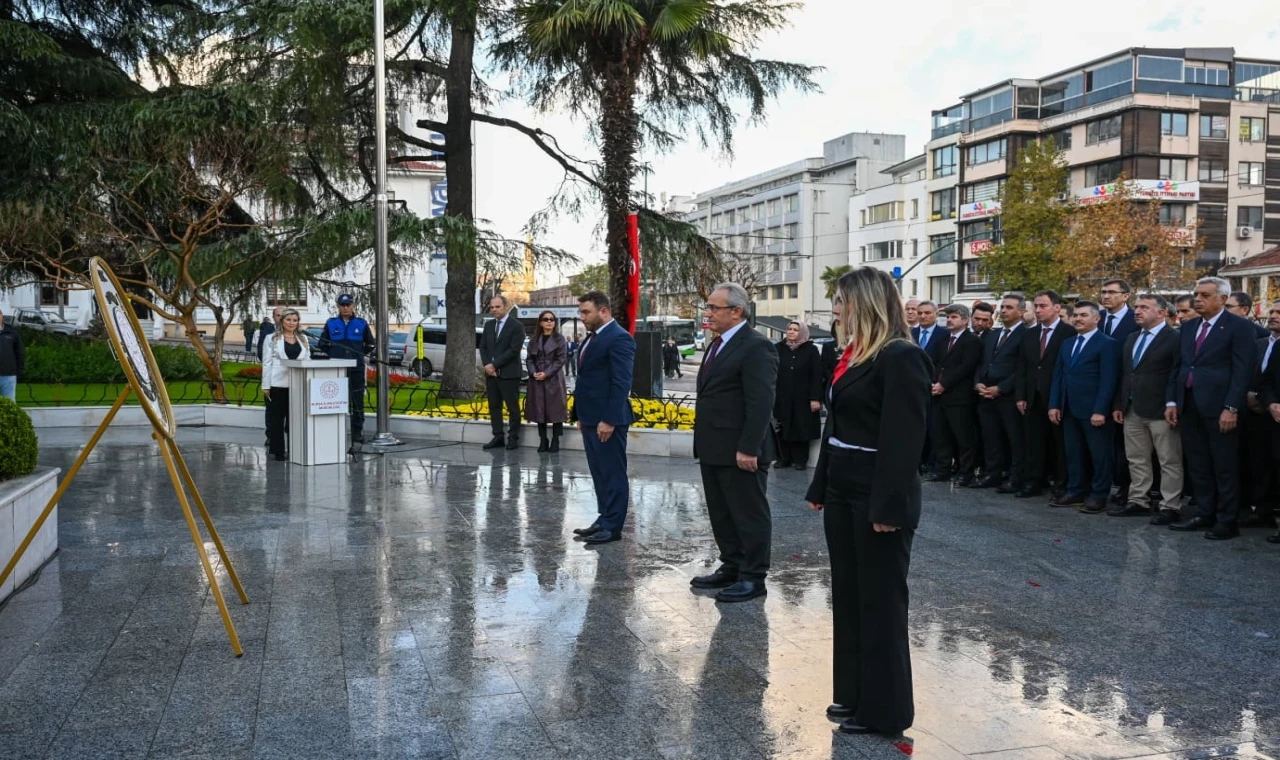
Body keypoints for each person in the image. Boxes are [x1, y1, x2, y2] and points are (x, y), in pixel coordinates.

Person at [806, 267, 930, 738]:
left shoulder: (901, 358)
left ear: (867, 303)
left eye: (842, 300)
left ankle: (886, 711)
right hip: (842, 486)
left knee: (880, 601)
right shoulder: (856, 356)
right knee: (851, 594)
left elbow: (904, 441)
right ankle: (855, 693)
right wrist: (821, 486)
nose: (835, 310)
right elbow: (835, 429)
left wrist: (889, 509)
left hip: (877, 493)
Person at [690, 282, 778, 603]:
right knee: (722, 513)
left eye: (714, 308)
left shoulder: (756, 346)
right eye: (708, 307)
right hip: (714, 446)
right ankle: (733, 565)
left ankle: (753, 576)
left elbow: (761, 402)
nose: (708, 313)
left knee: (748, 513)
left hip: (741, 450)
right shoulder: (717, 344)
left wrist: (748, 447)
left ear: (736, 311)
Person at [1165, 277, 1258, 540]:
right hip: (1189, 404)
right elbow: (1179, 367)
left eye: (1205, 295)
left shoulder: (1238, 327)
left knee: (1224, 465)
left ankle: (1227, 520)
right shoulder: (1189, 326)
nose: (1198, 299)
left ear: (1223, 298)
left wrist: (1231, 407)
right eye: (1196, 294)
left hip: (1220, 408)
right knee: (1198, 464)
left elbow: (1243, 371)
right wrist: (1173, 401)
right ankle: (1203, 513)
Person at [570, 291, 635, 544]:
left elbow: (621, 383)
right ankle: (604, 517)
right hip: (590, 419)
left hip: (608, 420)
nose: (582, 317)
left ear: (604, 311)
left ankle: (613, 526)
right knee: (599, 472)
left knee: (612, 472)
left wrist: (608, 419)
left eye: (586, 312)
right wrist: (581, 416)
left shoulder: (619, 338)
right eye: (581, 312)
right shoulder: (593, 338)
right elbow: (588, 379)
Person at [1111, 295, 1182, 522]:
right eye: (1137, 307)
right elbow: (1127, 374)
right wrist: (1120, 404)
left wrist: (1172, 403)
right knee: (1136, 458)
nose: (1137, 311)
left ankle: (1170, 505)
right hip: (1132, 408)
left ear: (1161, 313)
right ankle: (1138, 500)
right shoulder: (1132, 338)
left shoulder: (1175, 338)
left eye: (1144, 307)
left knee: (1168, 460)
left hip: (1161, 409)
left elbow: (1176, 374)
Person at [1048, 301, 1119, 513]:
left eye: (1084, 315)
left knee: (1099, 454)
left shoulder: (1107, 344)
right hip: (1068, 408)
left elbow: (1109, 380)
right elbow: (1059, 375)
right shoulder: (1068, 343)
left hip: (1094, 410)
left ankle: (1099, 495)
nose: (1078, 319)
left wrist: (1100, 410)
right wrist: (1054, 404)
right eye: (1075, 315)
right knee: (1073, 452)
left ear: (1097, 319)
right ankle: (1076, 490)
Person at [1014, 290, 1074, 499]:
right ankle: (1033, 482)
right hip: (1032, 396)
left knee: (1059, 443)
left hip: (1056, 396)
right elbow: (1022, 367)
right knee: (1033, 441)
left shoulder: (1069, 333)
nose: (1038, 310)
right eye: (1036, 306)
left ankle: (1060, 481)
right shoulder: (1029, 334)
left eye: (1043, 306)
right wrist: (1021, 396)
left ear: (1057, 307)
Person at [972, 294, 1028, 492]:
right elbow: (982, 362)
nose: (1004, 310)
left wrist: (1001, 388)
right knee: (990, 437)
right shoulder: (993, 334)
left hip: (1008, 396)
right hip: (985, 394)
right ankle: (992, 473)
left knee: (1014, 439)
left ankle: (1015, 476)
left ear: (1021, 312)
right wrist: (978, 383)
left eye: (1009, 307)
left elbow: (1022, 368)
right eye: (1002, 307)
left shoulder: (1027, 334)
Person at [927, 304, 982, 487]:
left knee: (963, 437)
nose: (949, 320)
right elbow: (934, 362)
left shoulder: (972, 341)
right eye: (948, 317)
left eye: (954, 317)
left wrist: (944, 384)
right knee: (940, 435)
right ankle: (942, 470)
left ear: (965, 320)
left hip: (959, 396)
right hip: (939, 395)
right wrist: (934, 383)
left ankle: (966, 473)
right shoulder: (943, 340)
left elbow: (965, 367)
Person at [1100, 280, 1138, 506]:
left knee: (1124, 446)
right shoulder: (1098, 318)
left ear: (1126, 296)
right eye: (1104, 292)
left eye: (1112, 292)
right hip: (1098, 390)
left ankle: (1125, 487)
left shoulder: (1136, 320)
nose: (1106, 296)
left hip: (1125, 391)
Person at [319, 294, 375, 443]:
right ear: (338, 306)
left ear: (353, 306)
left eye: (348, 305)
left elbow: (370, 344)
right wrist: (334, 354)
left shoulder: (361, 324)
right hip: (336, 369)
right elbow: (322, 344)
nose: (345, 308)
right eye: (342, 305)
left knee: (357, 401)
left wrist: (359, 354)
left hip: (356, 369)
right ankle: (333, 430)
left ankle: (357, 432)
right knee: (334, 400)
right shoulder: (331, 323)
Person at [1246, 300, 1280, 534]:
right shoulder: (1276, 346)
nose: (1274, 316)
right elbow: (1267, 380)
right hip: (1271, 416)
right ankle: (1265, 511)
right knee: (1265, 463)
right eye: (1273, 312)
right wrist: (1272, 402)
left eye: (1279, 312)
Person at [773, 321, 823, 471]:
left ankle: (800, 460)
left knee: (802, 427)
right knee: (782, 426)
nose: (791, 332)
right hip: (782, 396)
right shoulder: (778, 348)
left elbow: (816, 375)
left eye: (795, 330)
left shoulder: (811, 350)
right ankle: (783, 458)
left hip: (803, 397)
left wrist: (815, 398)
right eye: (789, 329)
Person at [261, 308, 310, 461]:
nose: (292, 323)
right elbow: (267, 362)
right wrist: (266, 385)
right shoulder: (272, 338)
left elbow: (306, 360)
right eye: (288, 320)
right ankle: (278, 451)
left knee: (294, 419)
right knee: (277, 419)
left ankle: (295, 448)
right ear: (282, 321)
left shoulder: (303, 339)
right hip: (278, 383)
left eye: (295, 320)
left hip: (297, 383)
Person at [479, 296, 525, 450]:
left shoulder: (516, 326)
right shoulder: (489, 325)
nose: (494, 310)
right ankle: (498, 436)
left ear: (505, 307)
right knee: (494, 406)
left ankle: (513, 438)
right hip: (491, 374)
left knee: (512, 408)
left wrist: (494, 364)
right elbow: (483, 347)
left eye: (497, 307)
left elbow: (514, 350)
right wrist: (487, 365)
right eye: (492, 307)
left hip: (509, 374)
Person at [525, 311, 569, 453]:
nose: (549, 322)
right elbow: (529, 359)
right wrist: (533, 372)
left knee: (556, 410)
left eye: (552, 319)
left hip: (553, 378)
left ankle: (555, 440)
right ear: (540, 322)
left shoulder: (560, 339)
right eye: (546, 319)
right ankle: (543, 440)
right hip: (537, 378)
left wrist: (547, 373)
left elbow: (561, 359)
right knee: (539, 410)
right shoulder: (534, 339)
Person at [0, 307, 24, 401]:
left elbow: (19, 353)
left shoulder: (12, 332)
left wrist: (19, 370)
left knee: (10, 403)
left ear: (2, 316)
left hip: (9, 375)